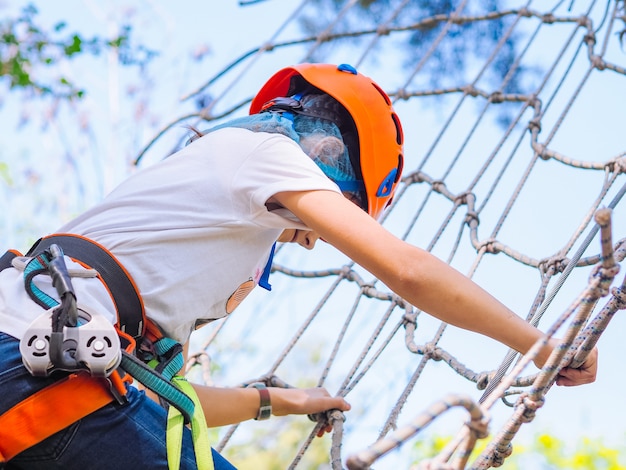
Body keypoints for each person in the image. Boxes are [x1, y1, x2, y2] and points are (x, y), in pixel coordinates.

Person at [0, 63, 597, 470]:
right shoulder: (268, 157)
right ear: (336, 159)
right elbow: (409, 270)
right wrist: (542, 344)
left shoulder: (188, 217)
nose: (311, 242)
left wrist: (279, 402)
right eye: (336, 213)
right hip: (43, 376)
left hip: (42, 369)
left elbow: (161, 397)